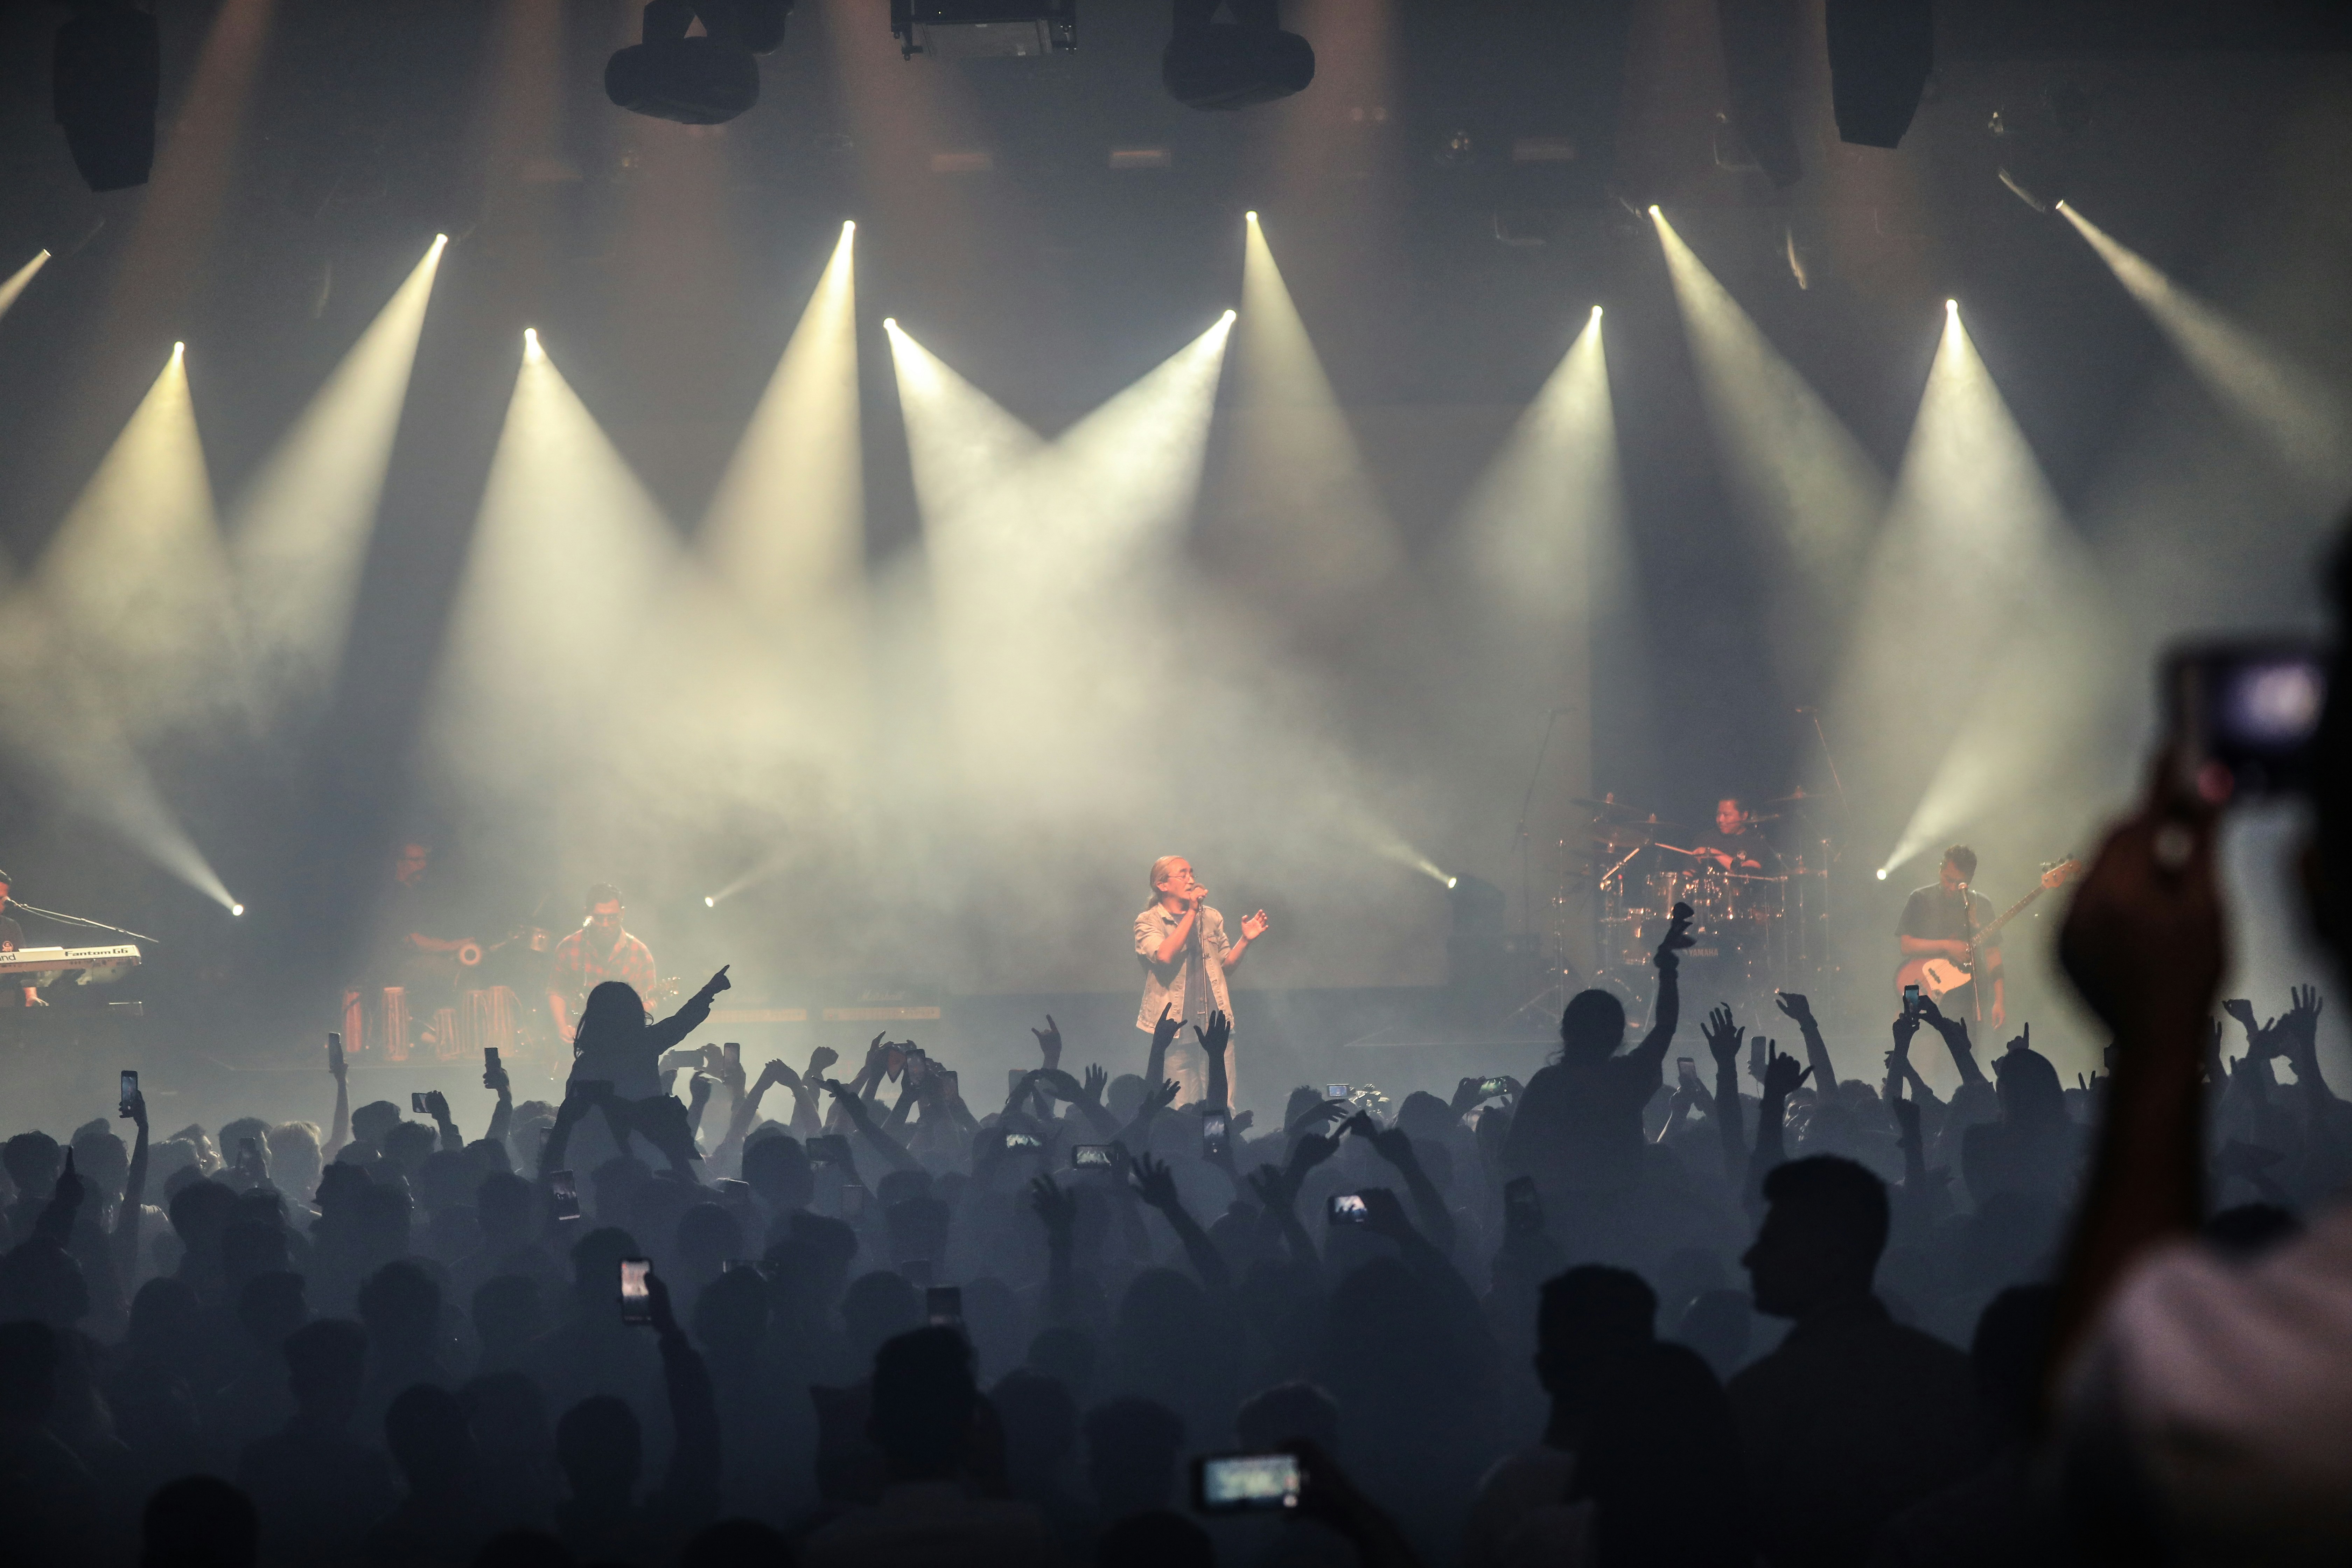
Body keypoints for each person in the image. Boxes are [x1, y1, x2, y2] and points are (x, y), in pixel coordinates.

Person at [1727, 1155, 1977, 1568]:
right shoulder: (1955, 1379)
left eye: (1772, 1241)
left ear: (1832, 1256)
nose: (1750, 1258)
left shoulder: (1766, 1395)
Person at [555, 968, 732, 1177]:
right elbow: (680, 1023)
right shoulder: (642, 1045)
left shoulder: (585, 1063)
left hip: (595, 1162)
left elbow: (572, 1118)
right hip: (647, 1154)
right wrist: (709, 991)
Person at [1132, 856, 1268, 1108]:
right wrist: (1192, 912)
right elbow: (1164, 956)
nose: (1191, 879)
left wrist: (1246, 941)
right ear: (1162, 885)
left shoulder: (1212, 917)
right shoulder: (1149, 921)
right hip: (1175, 1031)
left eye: (1192, 873)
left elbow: (1226, 966)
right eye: (1183, 874)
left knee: (1222, 1107)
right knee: (1181, 1109)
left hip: (1216, 1026)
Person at [1896, 845, 2005, 1029]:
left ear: (1970, 879)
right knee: (1924, 1043)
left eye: (1960, 883)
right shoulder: (1920, 898)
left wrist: (1999, 1001)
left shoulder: (1981, 905)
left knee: (1967, 1043)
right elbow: (1906, 945)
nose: (1952, 887)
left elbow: (1993, 954)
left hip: (1967, 999)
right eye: (1948, 879)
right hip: (1925, 989)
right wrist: (1948, 946)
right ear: (1941, 869)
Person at [548, 885, 662, 1046]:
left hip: (621, 1044)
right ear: (587, 914)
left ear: (622, 913)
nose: (606, 924)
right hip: (575, 1039)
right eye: (599, 918)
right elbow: (556, 991)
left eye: (612, 918)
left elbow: (650, 998)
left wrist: (628, 1020)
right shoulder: (569, 947)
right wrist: (562, 1027)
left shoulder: (640, 953)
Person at [0, 869, 46, 1009]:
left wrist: (31, 996)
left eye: (3, 898)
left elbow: (25, 967)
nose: (3, 903)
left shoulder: (11, 927)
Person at [1695, 798, 1770, 873]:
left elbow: (1749, 871)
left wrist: (1712, 853)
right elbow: (1690, 872)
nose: (1721, 820)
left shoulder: (1756, 841)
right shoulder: (1705, 838)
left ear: (1744, 816)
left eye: (1727, 815)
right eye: (1718, 814)